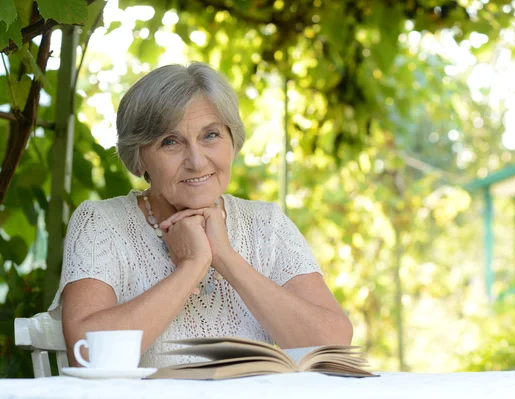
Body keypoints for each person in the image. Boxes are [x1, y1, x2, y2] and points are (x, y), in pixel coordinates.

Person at [49, 62, 353, 369]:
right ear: (139, 158)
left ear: (232, 141)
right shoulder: (102, 223)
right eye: (170, 141)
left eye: (211, 135)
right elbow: (88, 354)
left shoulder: (266, 224)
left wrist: (223, 255)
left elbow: (332, 346)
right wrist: (192, 266)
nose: (196, 161)